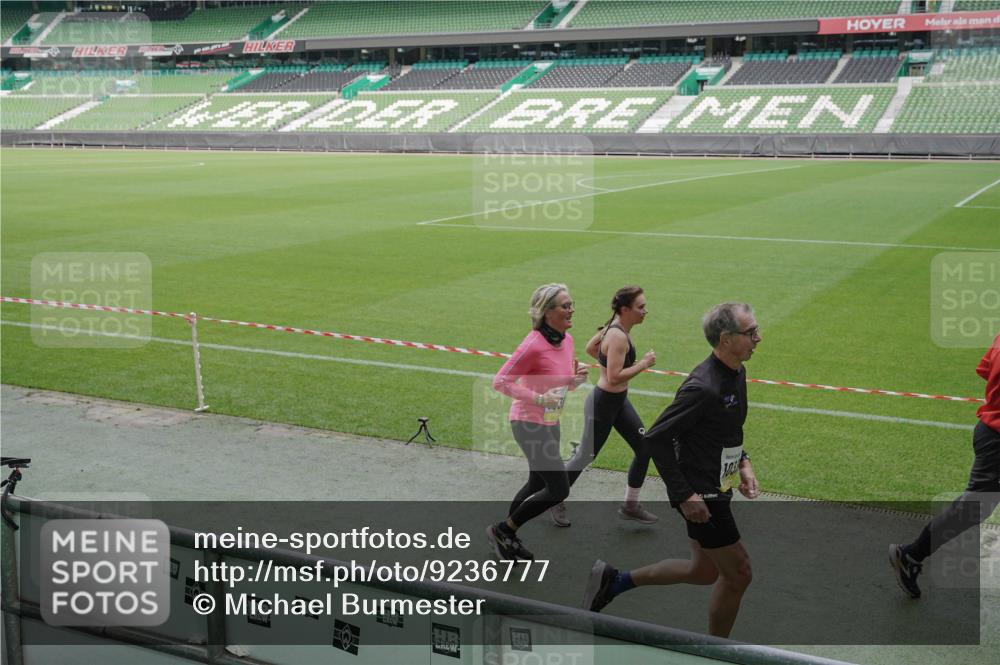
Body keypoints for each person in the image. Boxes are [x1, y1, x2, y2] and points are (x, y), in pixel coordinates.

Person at [582, 302, 762, 639]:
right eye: (750, 332)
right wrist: (684, 494)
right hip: (702, 494)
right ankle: (715, 651)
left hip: (713, 483)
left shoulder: (736, 372)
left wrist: (744, 463)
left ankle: (615, 580)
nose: (758, 338)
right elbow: (656, 438)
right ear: (725, 339)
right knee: (740, 574)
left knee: (704, 570)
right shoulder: (703, 387)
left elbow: (728, 429)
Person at [889, 333, 1000, 598]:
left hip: (989, 432)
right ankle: (911, 554)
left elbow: (985, 370)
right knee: (974, 508)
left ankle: (911, 555)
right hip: (996, 440)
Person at [488, 283, 589, 561]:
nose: (571, 310)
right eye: (565, 306)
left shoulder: (566, 340)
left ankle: (506, 537)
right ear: (547, 313)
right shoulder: (533, 343)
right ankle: (503, 531)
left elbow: (559, 386)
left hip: (550, 421)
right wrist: (538, 399)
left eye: (571, 304)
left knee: (536, 482)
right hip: (527, 422)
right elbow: (500, 382)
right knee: (558, 488)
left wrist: (574, 380)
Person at [549, 286, 658, 527]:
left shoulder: (614, 328)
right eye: (641, 307)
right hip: (604, 404)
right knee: (584, 456)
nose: (645, 311)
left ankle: (631, 505)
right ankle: (553, 498)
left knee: (645, 448)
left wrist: (605, 358)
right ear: (625, 309)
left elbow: (591, 348)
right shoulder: (617, 336)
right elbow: (615, 376)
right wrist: (644, 364)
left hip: (618, 402)